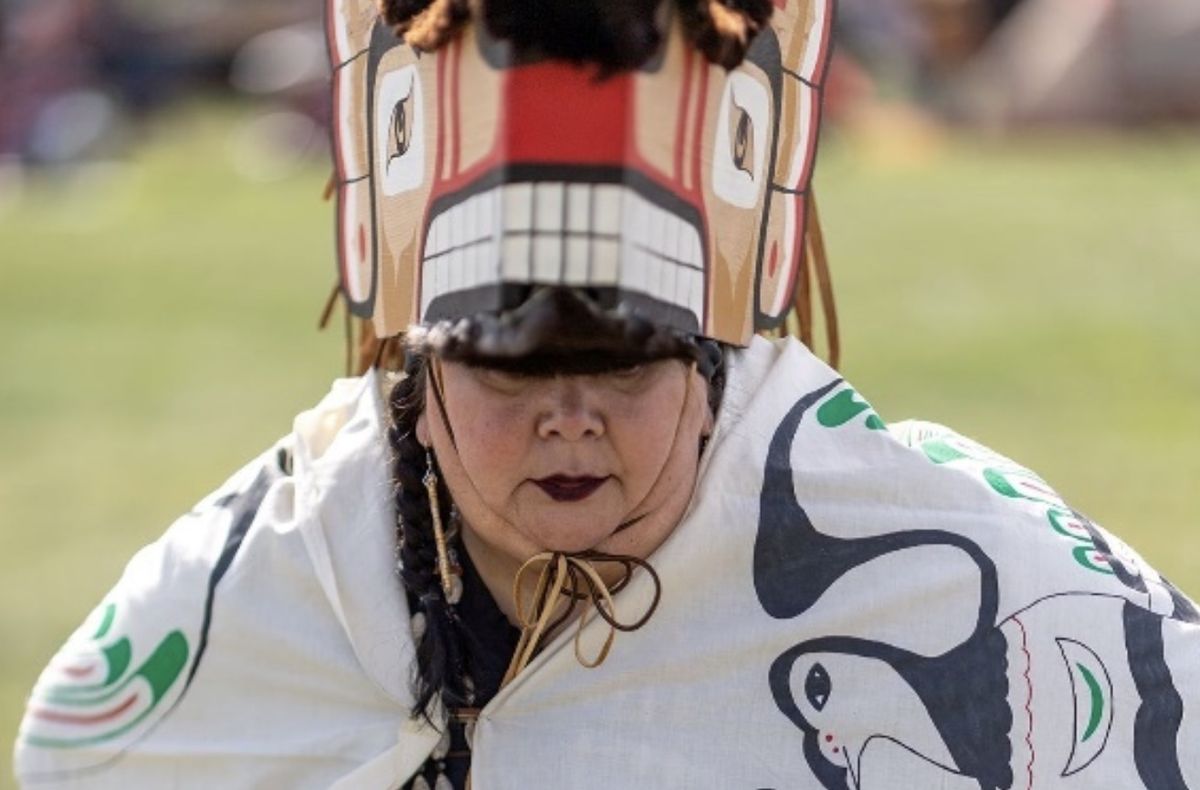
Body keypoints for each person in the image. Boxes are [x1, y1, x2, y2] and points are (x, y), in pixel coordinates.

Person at [15, 0, 1200, 788]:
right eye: (511, 364)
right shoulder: (262, 591)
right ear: (413, 379)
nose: (568, 416)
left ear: (710, 368)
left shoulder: (944, 565)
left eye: (625, 362)